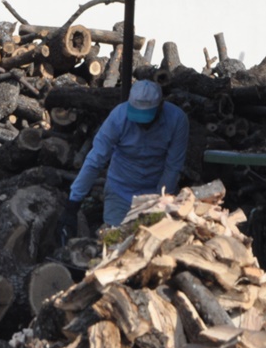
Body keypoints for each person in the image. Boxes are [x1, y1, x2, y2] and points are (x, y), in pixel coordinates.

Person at [62, 79, 188, 234]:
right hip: (120, 191)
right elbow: (95, 160)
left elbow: (173, 167)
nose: (142, 124)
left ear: (160, 106)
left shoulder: (177, 120)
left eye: (146, 118)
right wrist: (73, 203)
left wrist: (160, 201)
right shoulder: (118, 117)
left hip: (157, 190)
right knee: (114, 241)